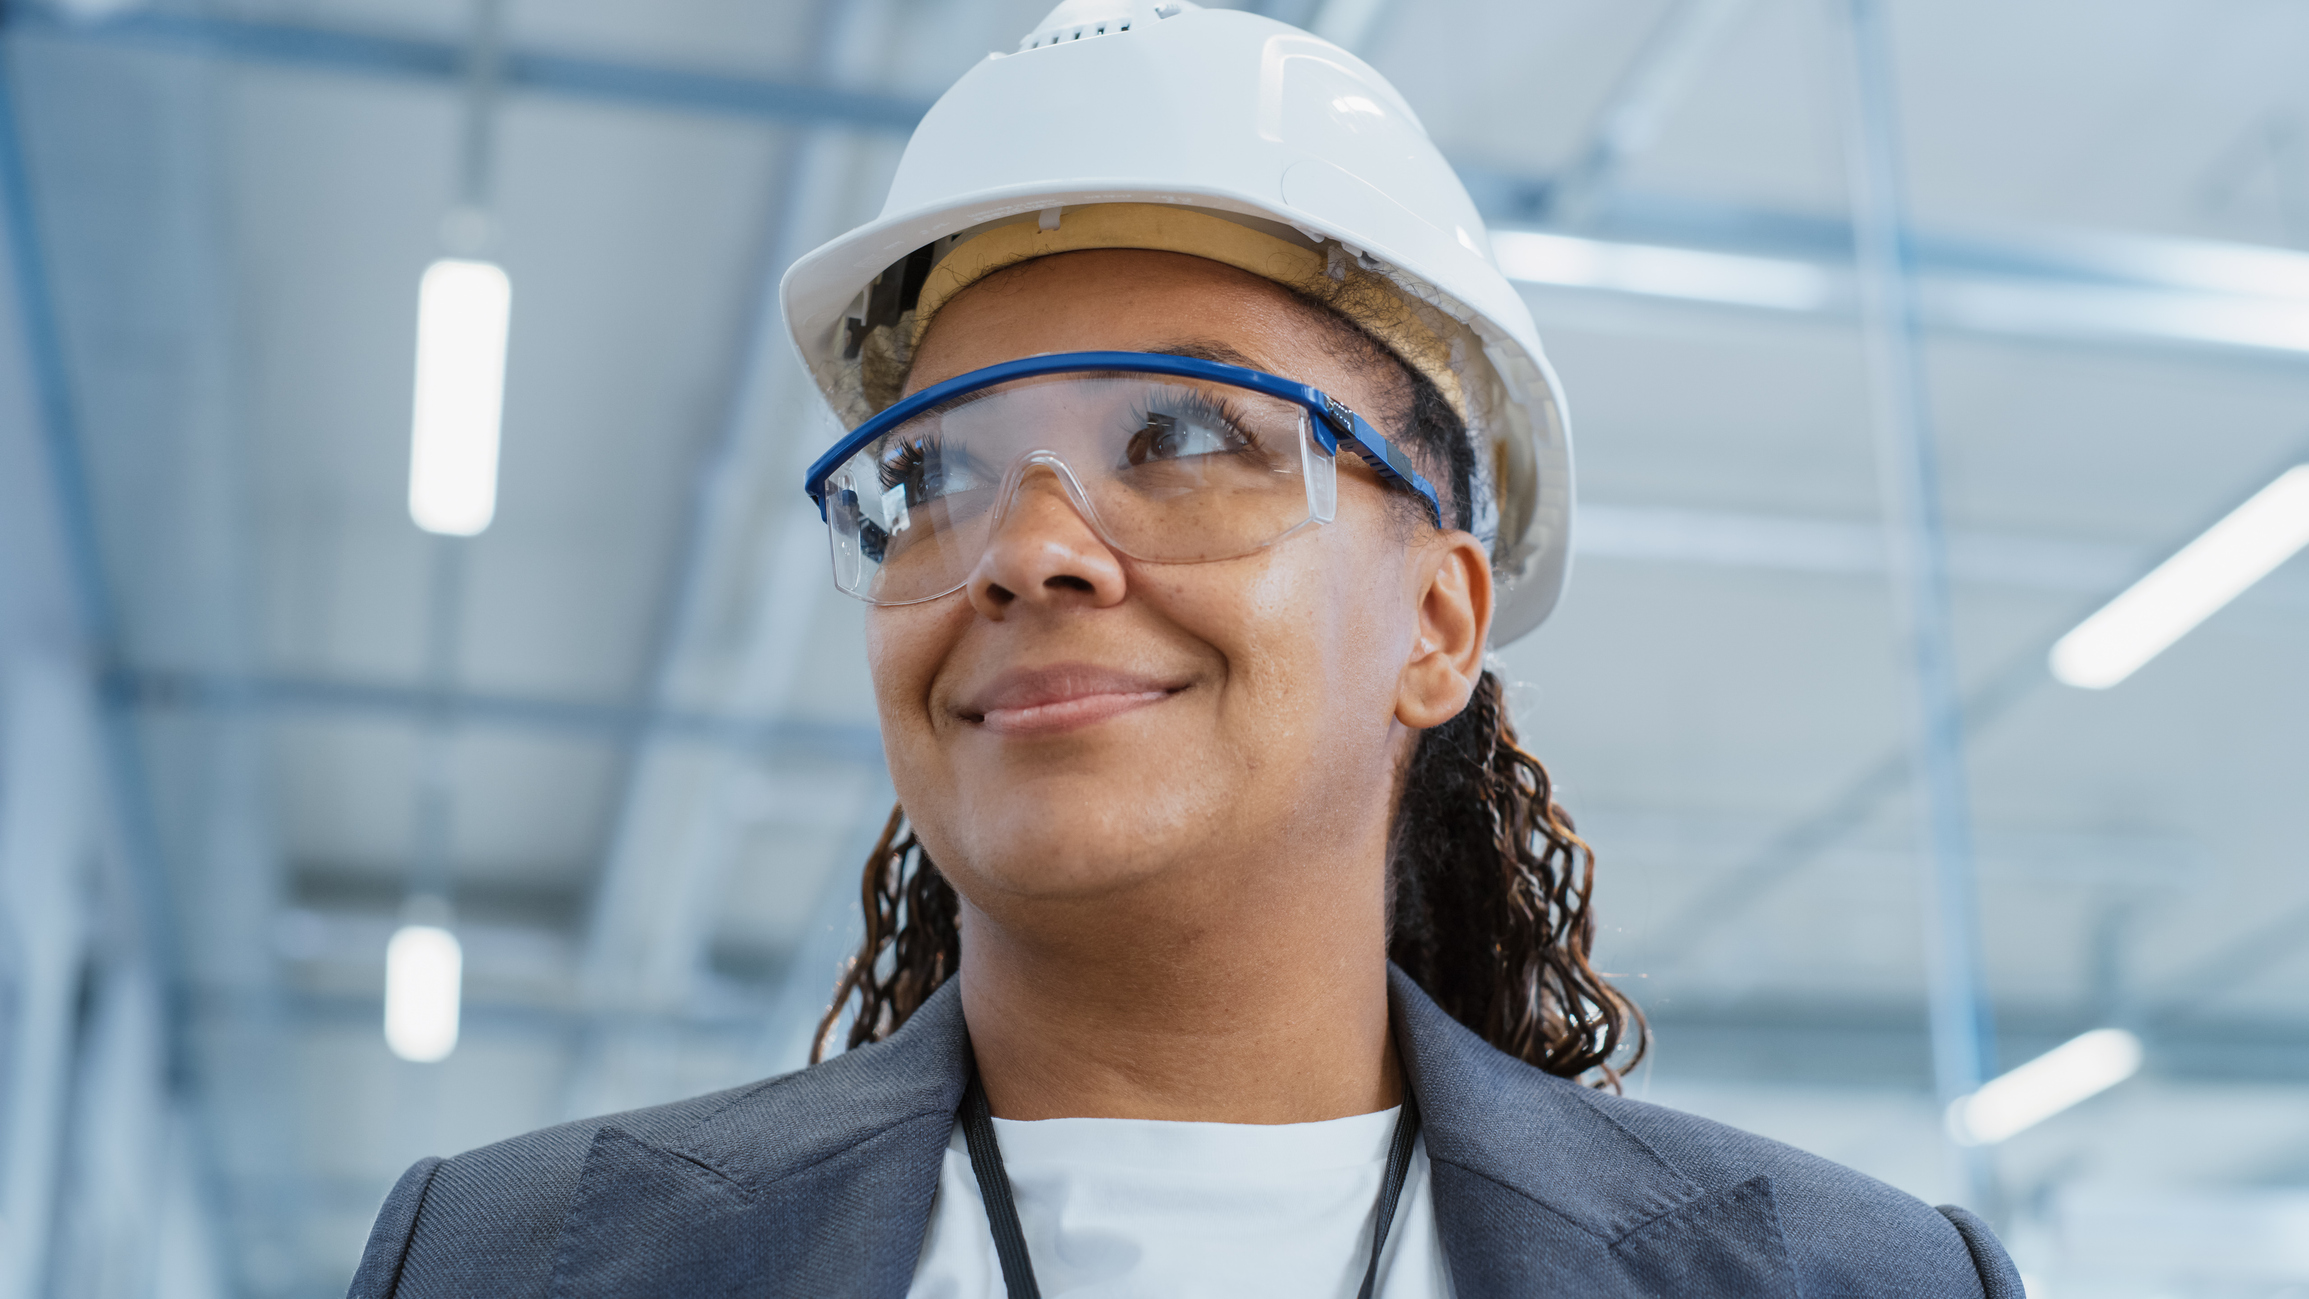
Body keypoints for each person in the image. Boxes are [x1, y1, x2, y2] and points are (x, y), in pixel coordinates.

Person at [349, 3, 2024, 1295]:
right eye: (934, 473)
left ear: (1437, 623)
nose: (1025, 550)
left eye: (1187, 436)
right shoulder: (503, 1259)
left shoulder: (1846, 1280)